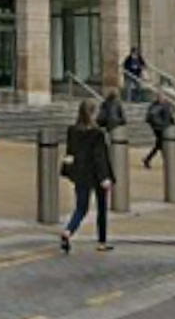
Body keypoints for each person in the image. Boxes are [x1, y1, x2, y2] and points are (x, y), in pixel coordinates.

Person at [60, 99, 114, 254]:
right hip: (96, 174)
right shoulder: (97, 133)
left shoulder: (73, 131)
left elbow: (70, 152)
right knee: (101, 208)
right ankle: (101, 242)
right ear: (93, 113)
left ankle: (68, 231)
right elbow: (100, 157)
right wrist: (105, 177)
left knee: (81, 208)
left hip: (80, 173)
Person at [142, 92, 173, 169]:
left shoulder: (166, 105)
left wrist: (173, 123)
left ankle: (148, 159)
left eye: (163, 97)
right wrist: (160, 125)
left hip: (164, 127)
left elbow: (169, 116)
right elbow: (151, 117)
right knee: (161, 144)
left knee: (159, 145)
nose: (161, 98)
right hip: (159, 128)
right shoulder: (155, 106)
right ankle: (166, 162)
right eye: (160, 97)